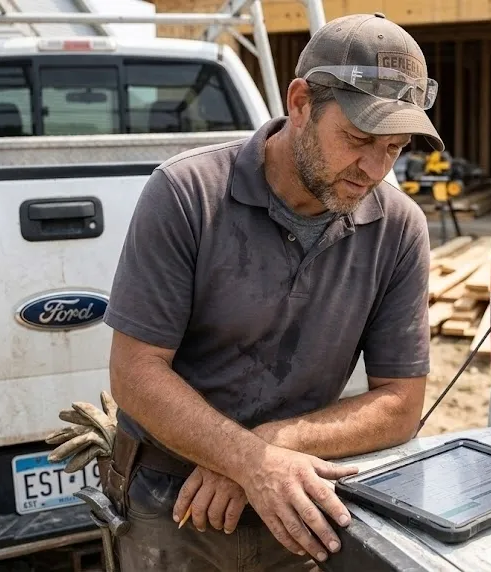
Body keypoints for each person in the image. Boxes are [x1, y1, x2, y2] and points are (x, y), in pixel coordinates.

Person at [99, 11, 444, 571]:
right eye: (358, 139)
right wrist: (249, 461)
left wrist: (266, 449)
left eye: (395, 147)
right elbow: (135, 375)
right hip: (175, 503)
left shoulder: (398, 228)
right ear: (301, 102)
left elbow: (401, 405)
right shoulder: (188, 194)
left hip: (303, 497)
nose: (375, 169)